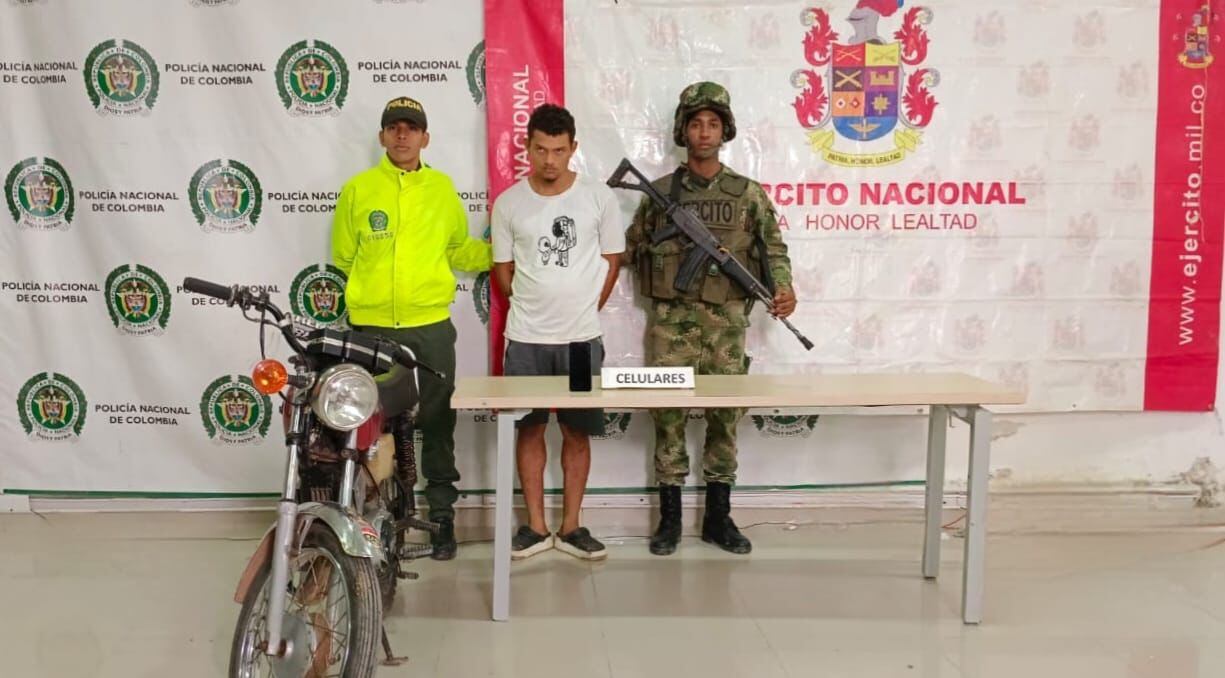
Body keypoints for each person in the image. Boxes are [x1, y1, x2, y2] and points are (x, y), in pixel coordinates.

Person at [624, 81, 797, 556]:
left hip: (726, 327)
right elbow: (632, 247)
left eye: (713, 124)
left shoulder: (748, 194)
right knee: (668, 418)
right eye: (696, 123)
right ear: (683, 130)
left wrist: (783, 287)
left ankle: (719, 518)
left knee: (725, 420)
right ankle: (670, 520)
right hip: (670, 325)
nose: (704, 132)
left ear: (725, 131)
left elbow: (773, 249)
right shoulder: (659, 193)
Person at [331, 95, 492, 560]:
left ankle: (441, 519)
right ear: (382, 136)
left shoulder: (441, 189)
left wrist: (505, 249)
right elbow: (344, 257)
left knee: (438, 421)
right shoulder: (358, 190)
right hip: (371, 329)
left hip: (430, 327)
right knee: (370, 427)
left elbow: (459, 250)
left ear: (425, 138)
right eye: (394, 128)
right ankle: (375, 520)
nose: (402, 135)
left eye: (411, 128)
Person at [491, 103, 624, 560]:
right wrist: (533, 307)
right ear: (527, 147)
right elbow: (503, 269)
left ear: (573, 149)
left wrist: (584, 309)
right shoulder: (509, 203)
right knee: (528, 430)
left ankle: (571, 528)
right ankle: (534, 527)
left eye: (559, 150)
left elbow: (611, 262)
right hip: (526, 341)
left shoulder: (599, 198)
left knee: (576, 431)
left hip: (581, 342)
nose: (550, 160)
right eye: (541, 150)